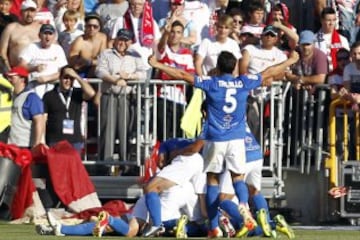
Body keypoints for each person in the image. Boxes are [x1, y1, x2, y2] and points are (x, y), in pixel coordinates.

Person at [148, 50, 300, 237]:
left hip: (216, 138)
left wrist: (158, 65)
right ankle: (243, 206)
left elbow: (182, 75)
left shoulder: (212, 83)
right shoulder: (243, 82)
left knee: (212, 179)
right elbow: (269, 71)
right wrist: (291, 60)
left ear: (218, 67)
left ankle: (213, 228)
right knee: (238, 178)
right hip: (237, 139)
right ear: (235, 66)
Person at [95, 28, 147, 162]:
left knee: (126, 132)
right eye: (120, 39)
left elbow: (143, 75)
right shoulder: (106, 53)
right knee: (107, 132)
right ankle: (104, 165)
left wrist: (129, 77)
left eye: (125, 40)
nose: (122, 43)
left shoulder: (135, 55)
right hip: (109, 95)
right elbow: (100, 71)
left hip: (127, 97)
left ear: (130, 42)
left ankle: (126, 164)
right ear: (115, 39)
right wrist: (116, 80)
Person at [155, 20, 195, 141]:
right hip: (163, 97)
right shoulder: (163, 49)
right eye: (172, 32)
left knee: (178, 136)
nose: (175, 35)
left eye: (178, 32)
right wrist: (165, 34)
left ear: (182, 35)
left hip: (180, 99)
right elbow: (160, 48)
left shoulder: (187, 53)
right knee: (164, 136)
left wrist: (170, 73)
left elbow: (188, 76)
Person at [42, 66, 95, 153]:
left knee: (73, 167)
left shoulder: (77, 93)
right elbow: (43, 119)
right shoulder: (49, 95)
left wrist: (77, 77)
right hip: (55, 140)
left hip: (74, 141)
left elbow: (91, 93)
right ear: (60, 78)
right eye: (65, 78)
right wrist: (42, 140)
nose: (68, 81)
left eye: (71, 79)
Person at [18, 23, 68, 98]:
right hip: (33, 87)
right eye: (45, 34)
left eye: (50, 34)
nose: (47, 37)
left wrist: (47, 78)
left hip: (53, 87)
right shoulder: (32, 47)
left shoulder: (58, 49)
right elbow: (21, 66)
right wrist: (34, 68)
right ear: (39, 35)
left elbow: (64, 71)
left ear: (54, 36)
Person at [109, 0, 161, 68]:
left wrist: (155, 57)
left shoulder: (151, 22)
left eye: (140, 4)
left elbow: (156, 43)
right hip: (124, 63)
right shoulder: (120, 20)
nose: (137, 7)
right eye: (134, 4)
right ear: (129, 5)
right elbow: (111, 42)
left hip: (145, 63)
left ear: (144, 6)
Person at [6, 66, 44, 148]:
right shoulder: (11, 97)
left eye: (12, 77)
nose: (9, 80)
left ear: (22, 79)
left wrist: (36, 144)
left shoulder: (31, 97)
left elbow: (39, 121)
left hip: (25, 146)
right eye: (8, 77)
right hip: (10, 144)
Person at [0, 0, 41, 69]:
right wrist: (9, 71)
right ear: (21, 12)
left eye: (32, 11)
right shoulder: (10, 28)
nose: (29, 14)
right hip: (17, 74)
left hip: (39, 72)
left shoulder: (41, 28)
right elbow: (2, 53)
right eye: (26, 11)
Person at [68, 13, 107, 78]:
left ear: (99, 28)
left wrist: (90, 62)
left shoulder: (103, 38)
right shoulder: (79, 41)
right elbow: (72, 63)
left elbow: (103, 60)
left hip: (96, 70)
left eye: (95, 26)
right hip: (81, 72)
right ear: (85, 27)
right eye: (89, 26)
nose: (92, 29)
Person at [315, 7, 350, 72]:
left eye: (334, 20)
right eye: (328, 20)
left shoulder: (343, 40)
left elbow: (348, 60)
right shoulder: (314, 39)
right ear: (322, 20)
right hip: (321, 74)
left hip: (338, 76)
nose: (331, 23)